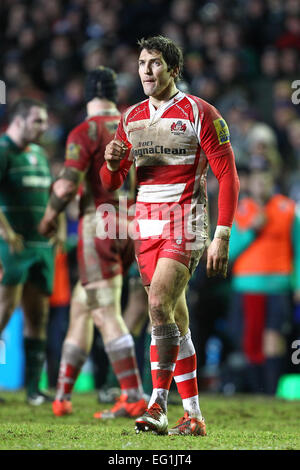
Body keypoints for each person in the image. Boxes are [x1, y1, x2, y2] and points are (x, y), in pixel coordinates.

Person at [100, 36, 240, 436]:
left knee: (158, 302)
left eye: (155, 63)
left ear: (173, 69)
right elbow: (112, 183)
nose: (146, 70)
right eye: (142, 62)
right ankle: (193, 416)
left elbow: (227, 175)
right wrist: (111, 165)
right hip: (146, 229)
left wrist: (223, 234)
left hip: (187, 222)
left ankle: (157, 405)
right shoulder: (131, 118)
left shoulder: (201, 113)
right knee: (174, 318)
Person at [38, 67, 148, 419]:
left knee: (103, 309)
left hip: (98, 224)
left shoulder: (85, 130)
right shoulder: (136, 123)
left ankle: (132, 394)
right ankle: (63, 394)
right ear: (115, 94)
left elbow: (68, 184)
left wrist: (49, 216)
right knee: (83, 306)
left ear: (87, 95)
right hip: (131, 224)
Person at [0, 98, 54, 405]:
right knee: (4, 310)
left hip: (41, 246)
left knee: (39, 315)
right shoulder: (3, 151)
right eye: (37, 121)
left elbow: (50, 197)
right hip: (12, 246)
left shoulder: (39, 154)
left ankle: (34, 389)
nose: (44, 127)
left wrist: (56, 227)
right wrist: (6, 233)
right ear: (19, 121)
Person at [228, 163, 300, 394]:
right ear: (251, 183)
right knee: (250, 341)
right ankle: (257, 391)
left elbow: (298, 251)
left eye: (266, 180)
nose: (261, 185)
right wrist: (251, 230)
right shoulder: (240, 210)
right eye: (257, 180)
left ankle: (270, 392)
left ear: (273, 181)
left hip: (278, 285)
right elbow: (228, 252)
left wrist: (298, 283)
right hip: (246, 285)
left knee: (273, 339)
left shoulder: (288, 209)